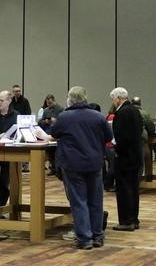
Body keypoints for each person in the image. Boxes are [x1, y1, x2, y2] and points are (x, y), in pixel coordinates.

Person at [49, 86, 113, 250]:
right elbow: (109, 137)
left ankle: (85, 238)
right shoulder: (98, 116)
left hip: (73, 164)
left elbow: (53, 134)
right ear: (85, 98)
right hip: (95, 163)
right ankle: (97, 235)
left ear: (69, 99)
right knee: (96, 200)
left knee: (79, 201)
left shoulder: (64, 117)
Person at [109, 87, 143, 231]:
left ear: (118, 98)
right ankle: (134, 219)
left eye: (113, 99)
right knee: (133, 188)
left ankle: (126, 221)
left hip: (124, 157)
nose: (113, 102)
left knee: (123, 189)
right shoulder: (135, 110)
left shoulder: (121, 113)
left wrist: (116, 148)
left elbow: (120, 136)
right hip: (135, 155)